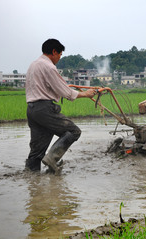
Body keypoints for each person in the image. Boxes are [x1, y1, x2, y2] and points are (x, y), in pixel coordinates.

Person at [25, 38, 96, 175]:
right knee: (74, 131)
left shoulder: (33, 65)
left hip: (32, 110)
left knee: (37, 150)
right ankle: (52, 158)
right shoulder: (49, 67)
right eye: (60, 55)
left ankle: (31, 177)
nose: (59, 58)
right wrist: (86, 94)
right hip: (45, 109)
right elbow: (65, 92)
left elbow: (45, 87)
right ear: (54, 51)